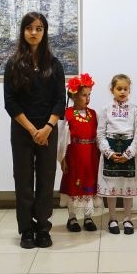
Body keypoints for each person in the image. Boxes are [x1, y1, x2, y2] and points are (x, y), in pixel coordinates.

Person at [4, 12, 66, 249]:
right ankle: (26, 230)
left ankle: (42, 227)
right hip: (22, 130)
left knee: (46, 179)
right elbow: (10, 102)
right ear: (23, 31)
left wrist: (47, 128)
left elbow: (60, 100)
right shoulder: (13, 64)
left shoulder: (55, 64)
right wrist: (32, 130)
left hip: (48, 130)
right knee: (23, 180)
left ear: (44, 32)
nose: (33, 32)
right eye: (29, 28)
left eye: (39, 28)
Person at [96, 74, 137, 235]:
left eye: (125, 89)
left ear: (129, 90)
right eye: (119, 88)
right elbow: (100, 133)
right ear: (112, 90)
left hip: (128, 150)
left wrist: (129, 153)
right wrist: (108, 152)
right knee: (112, 187)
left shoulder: (135, 109)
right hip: (111, 148)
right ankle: (113, 218)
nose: (122, 92)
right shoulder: (106, 109)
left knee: (128, 186)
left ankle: (127, 218)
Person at [58, 73, 100, 232]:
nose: (87, 98)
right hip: (74, 155)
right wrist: (62, 158)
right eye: (84, 95)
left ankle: (88, 217)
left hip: (91, 155)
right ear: (74, 96)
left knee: (89, 183)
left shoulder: (93, 114)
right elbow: (62, 139)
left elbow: (98, 135)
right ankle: (72, 217)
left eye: (89, 95)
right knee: (74, 184)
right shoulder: (67, 114)